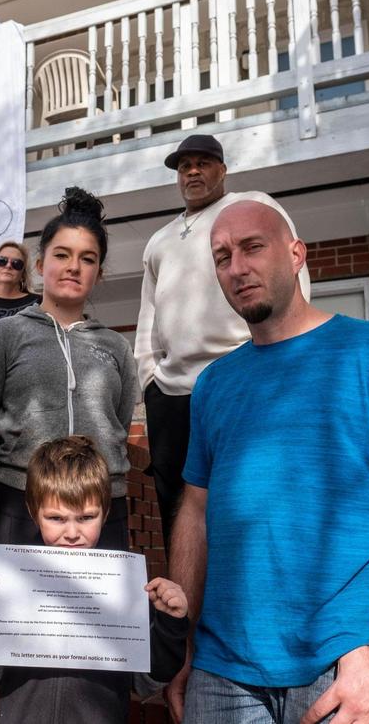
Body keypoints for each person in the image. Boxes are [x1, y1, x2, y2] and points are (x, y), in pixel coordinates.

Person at [167, 199, 369, 724]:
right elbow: (195, 513)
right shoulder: (213, 384)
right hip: (221, 671)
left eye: (253, 247)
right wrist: (182, 646)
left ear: (296, 254)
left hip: (346, 666)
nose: (237, 268)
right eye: (222, 257)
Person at [133, 134, 311, 551]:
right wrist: (149, 380)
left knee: (247, 497)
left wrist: (285, 360)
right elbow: (147, 316)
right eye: (184, 166)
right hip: (172, 394)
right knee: (176, 503)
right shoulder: (159, 240)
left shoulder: (252, 206)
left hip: (242, 377)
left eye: (203, 162)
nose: (192, 171)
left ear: (223, 169)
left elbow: (292, 281)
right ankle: (183, 592)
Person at [0, 436, 190, 724]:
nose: (72, 533)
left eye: (86, 517)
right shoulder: (10, 586)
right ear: (34, 514)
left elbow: (146, 681)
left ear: (105, 514)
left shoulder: (125, 590)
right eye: (56, 518)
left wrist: (170, 624)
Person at [0, 187, 138, 548]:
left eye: (87, 259)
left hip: (104, 509)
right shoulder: (5, 334)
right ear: (39, 264)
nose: (73, 267)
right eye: (61, 255)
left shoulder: (117, 347)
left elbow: (120, 425)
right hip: (21, 504)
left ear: (99, 272)